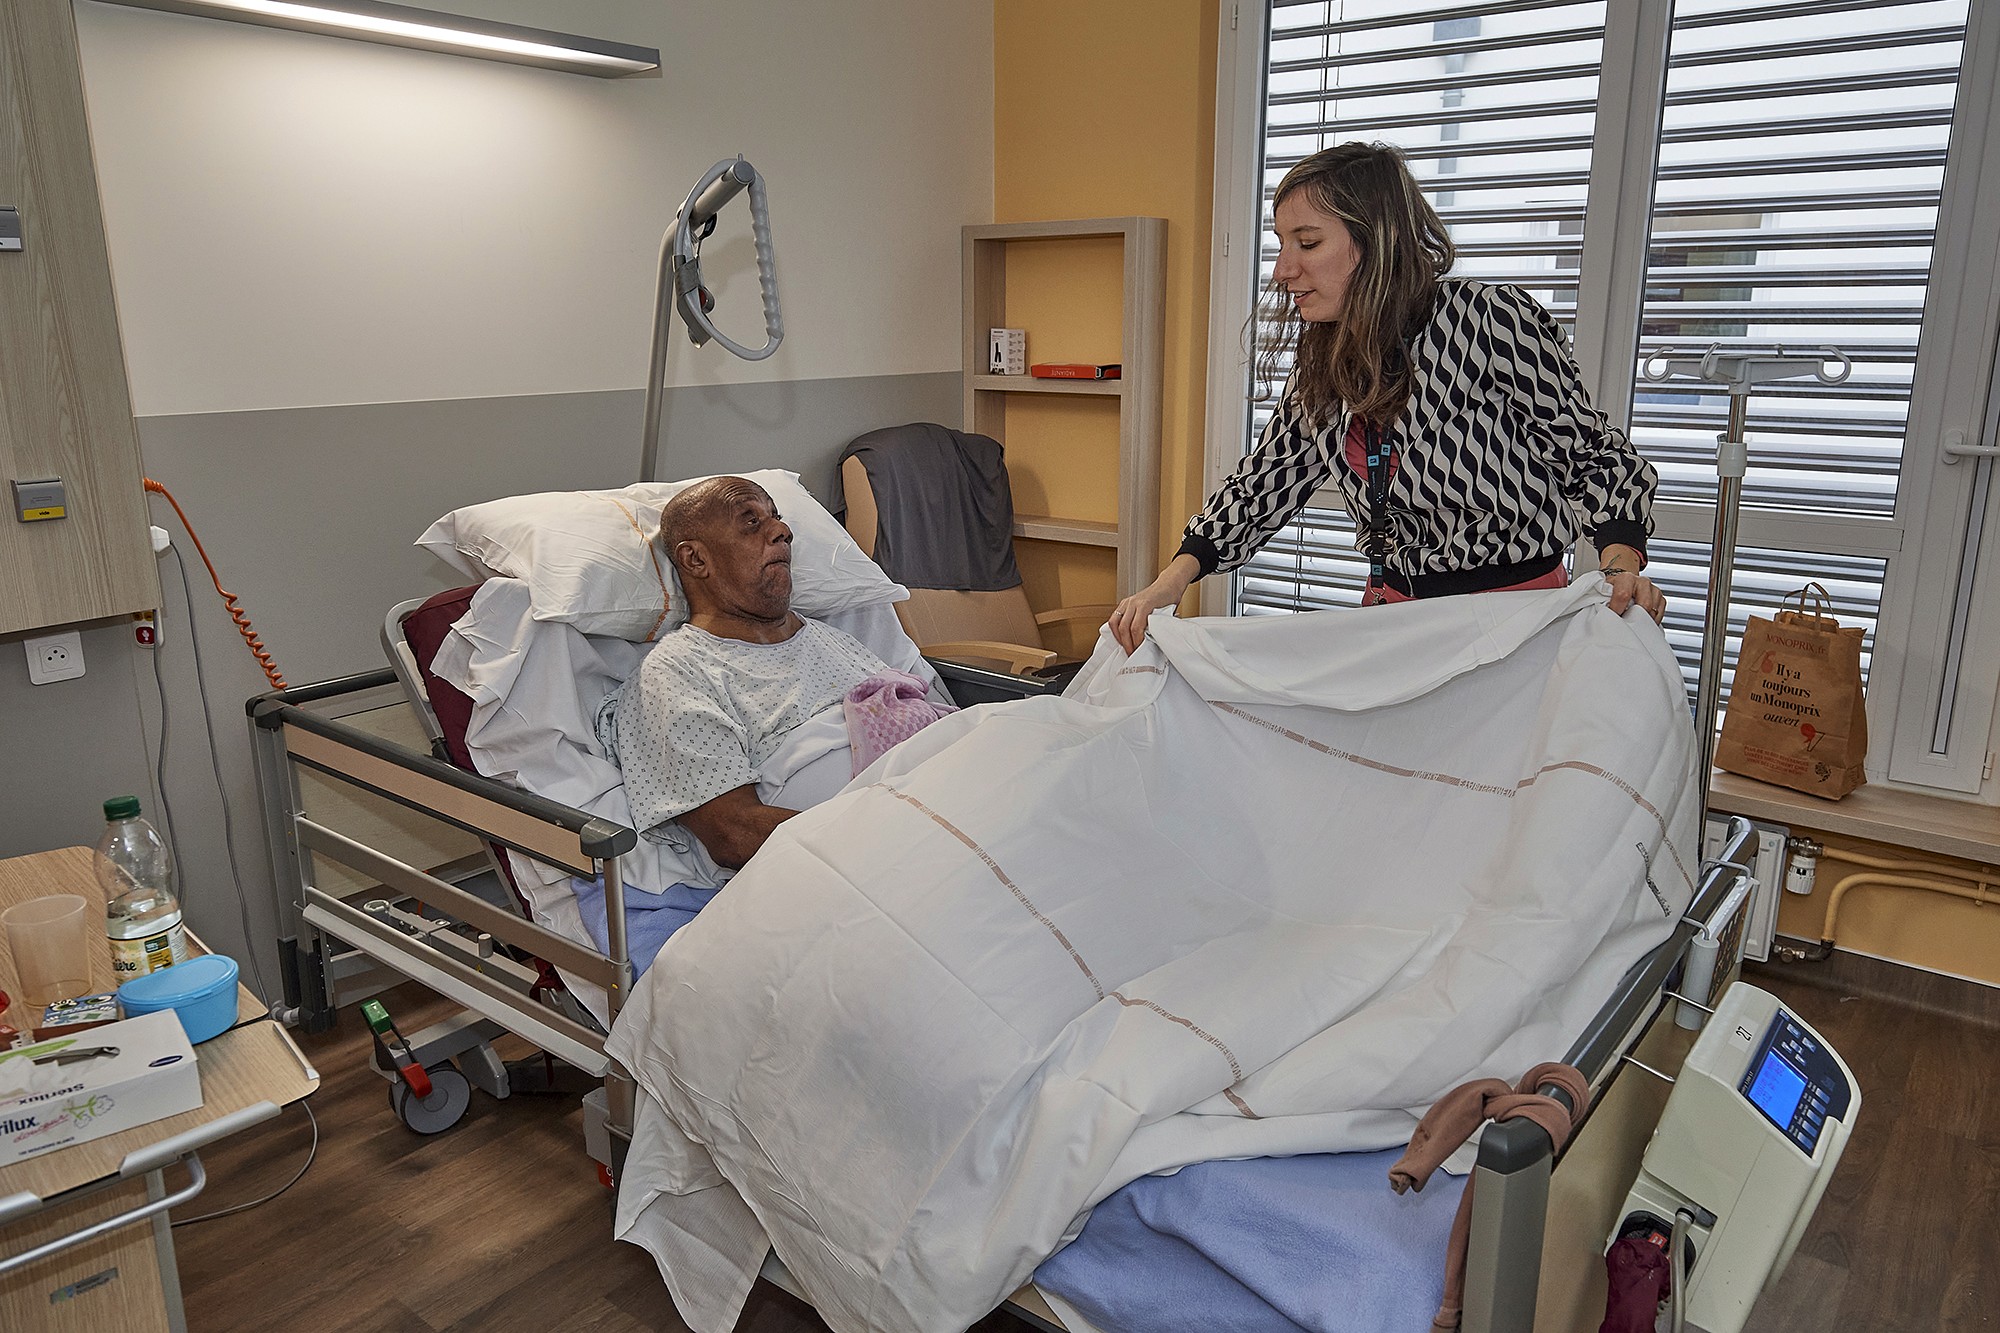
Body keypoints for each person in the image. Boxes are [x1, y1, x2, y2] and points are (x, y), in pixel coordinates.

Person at [1111, 142, 1665, 655]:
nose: (1283, 270)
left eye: (1307, 243)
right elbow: (1264, 482)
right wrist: (1171, 581)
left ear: (1376, 241)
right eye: (1282, 246)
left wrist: (1618, 570)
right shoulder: (1326, 359)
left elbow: (1595, 459)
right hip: (1393, 622)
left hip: (1513, 623)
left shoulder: (1489, 322)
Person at [609, 476, 898, 872]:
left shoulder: (833, 640)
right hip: (866, 858)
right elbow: (733, 832)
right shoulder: (677, 672)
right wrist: (893, 833)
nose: (783, 531)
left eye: (776, 518)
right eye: (751, 523)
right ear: (696, 560)